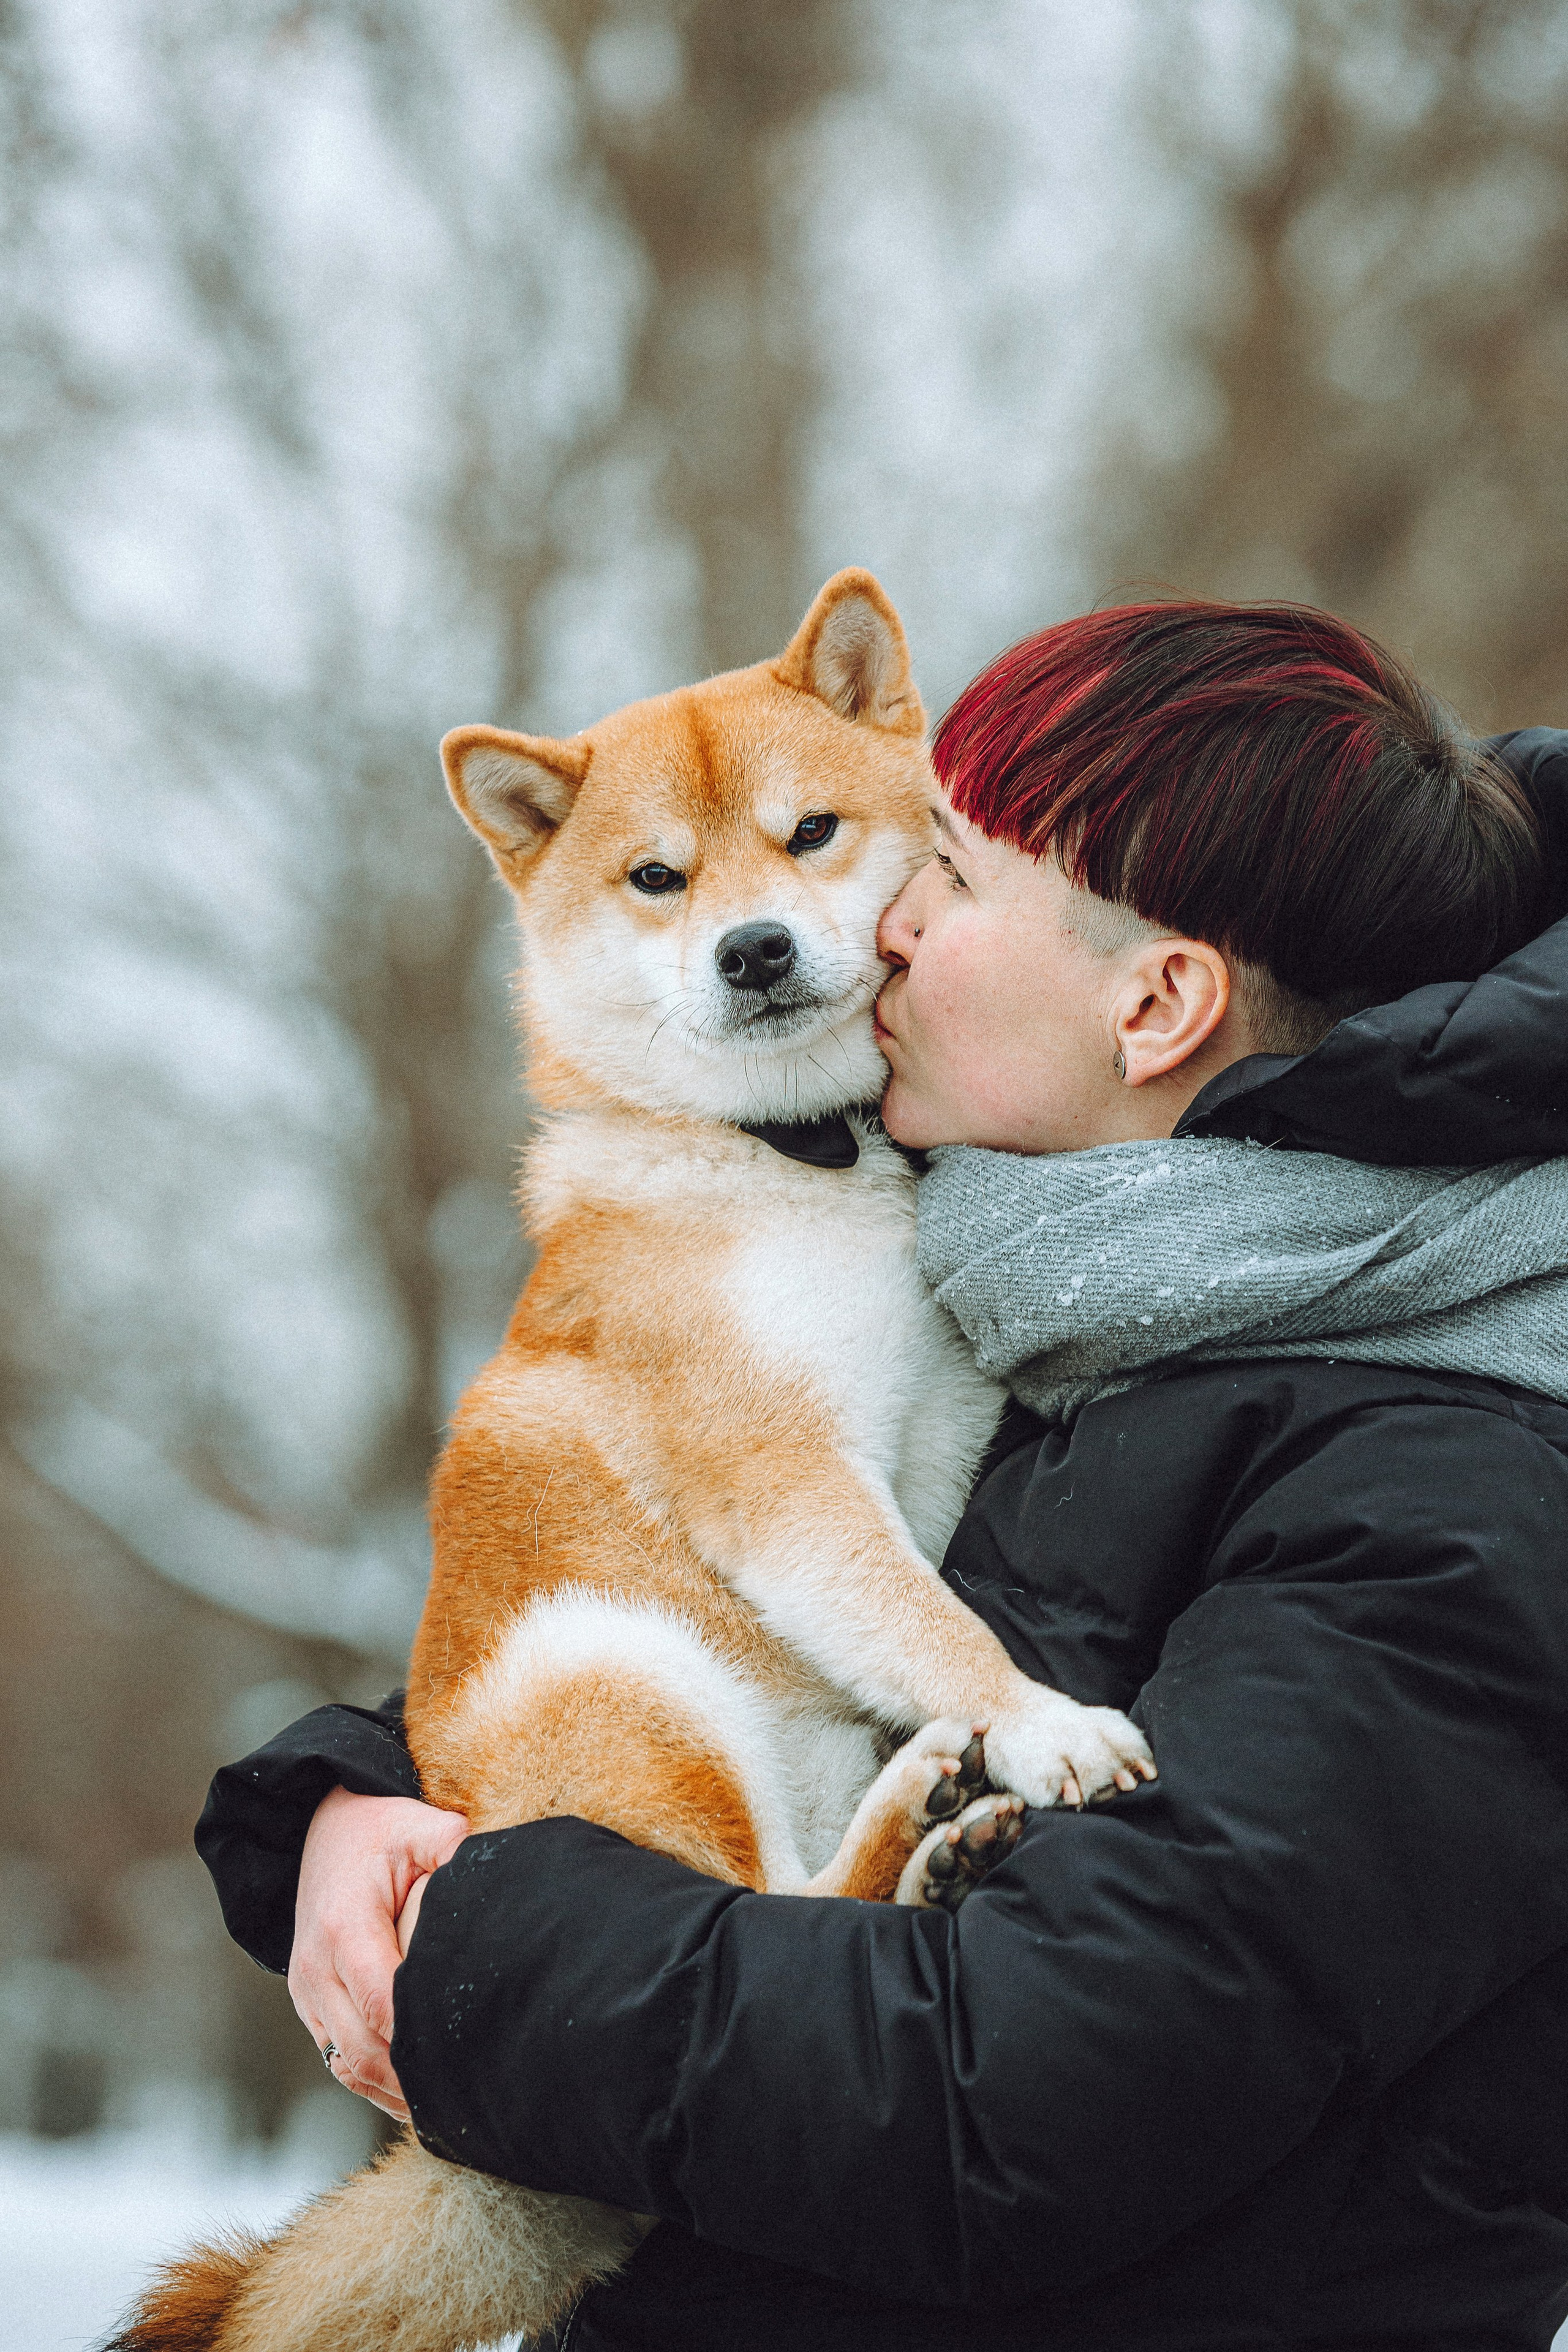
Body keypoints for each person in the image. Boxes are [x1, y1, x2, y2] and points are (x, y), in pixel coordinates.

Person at [198, 603, 1568, 2352]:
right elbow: (727, 1577)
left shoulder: (1449, 1499)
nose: (893, 921)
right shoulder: (1084, 1310)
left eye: (961, 880)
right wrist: (341, 1806)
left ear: (1157, 1002)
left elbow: (1011, 2099)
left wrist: (479, 1951)